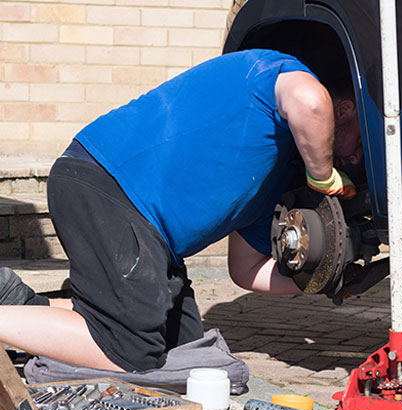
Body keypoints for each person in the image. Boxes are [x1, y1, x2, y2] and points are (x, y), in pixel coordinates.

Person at [0, 49, 363, 374]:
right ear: (344, 110)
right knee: (129, 350)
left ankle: (19, 302)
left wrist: (315, 281)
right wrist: (323, 174)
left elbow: (246, 269)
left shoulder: (279, 176)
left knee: (184, 346)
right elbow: (310, 102)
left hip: (143, 226)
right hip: (109, 183)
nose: (358, 158)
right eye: (361, 142)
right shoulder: (277, 72)